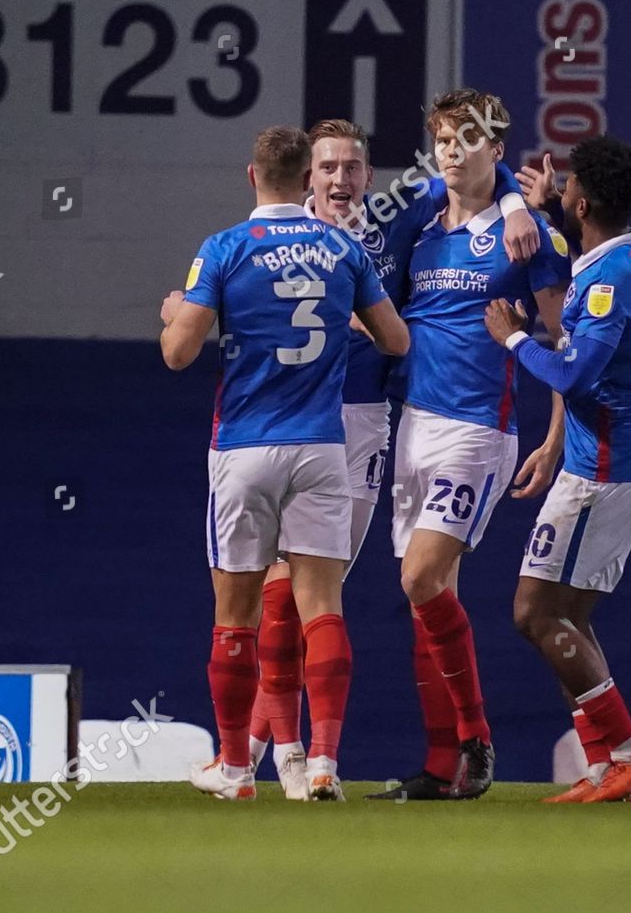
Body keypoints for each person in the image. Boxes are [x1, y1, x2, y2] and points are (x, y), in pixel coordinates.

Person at [246, 119, 537, 800]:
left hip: (364, 428)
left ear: (368, 177)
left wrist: (520, 201)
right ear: (307, 178)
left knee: (318, 591)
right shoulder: (271, 239)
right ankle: (267, 753)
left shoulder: (393, 230)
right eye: (328, 168)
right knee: (282, 594)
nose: (341, 180)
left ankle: (299, 756)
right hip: (284, 425)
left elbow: (479, 172)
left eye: (353, 168)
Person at [160, 125, 408, 801]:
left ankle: (238, 769)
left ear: (251, 177)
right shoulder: (343, 248)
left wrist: (176, 314)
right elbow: (395, 339)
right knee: (321, 605)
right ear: (306, 182)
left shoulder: (224, 249)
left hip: (242, 446)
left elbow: (177, 355)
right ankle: (323, 762)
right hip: (321, 447)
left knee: (234, 613)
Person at [371, 90, 572, 801]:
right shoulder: (420, 228)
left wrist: (553, 439)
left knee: (421, 578)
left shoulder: (525, 239)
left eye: (467, 140)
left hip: (478, 432)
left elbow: (563, 344)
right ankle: (442, 763)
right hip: (413, 428)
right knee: (430, 601)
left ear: (497, 148)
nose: (453, 153)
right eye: (443, 142)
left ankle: (477, 736)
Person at [483, 135, 631, 803]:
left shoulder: (609, 278)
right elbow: (584, 326)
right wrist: (545, 209)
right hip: (618, 461)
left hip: (604, 472)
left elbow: (575, 373)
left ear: (584, 200)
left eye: (565, 190)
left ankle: (630, 750)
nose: (557, 193)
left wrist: (511, 336)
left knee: (534, 614)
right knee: (567, 619)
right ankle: (604, 763)